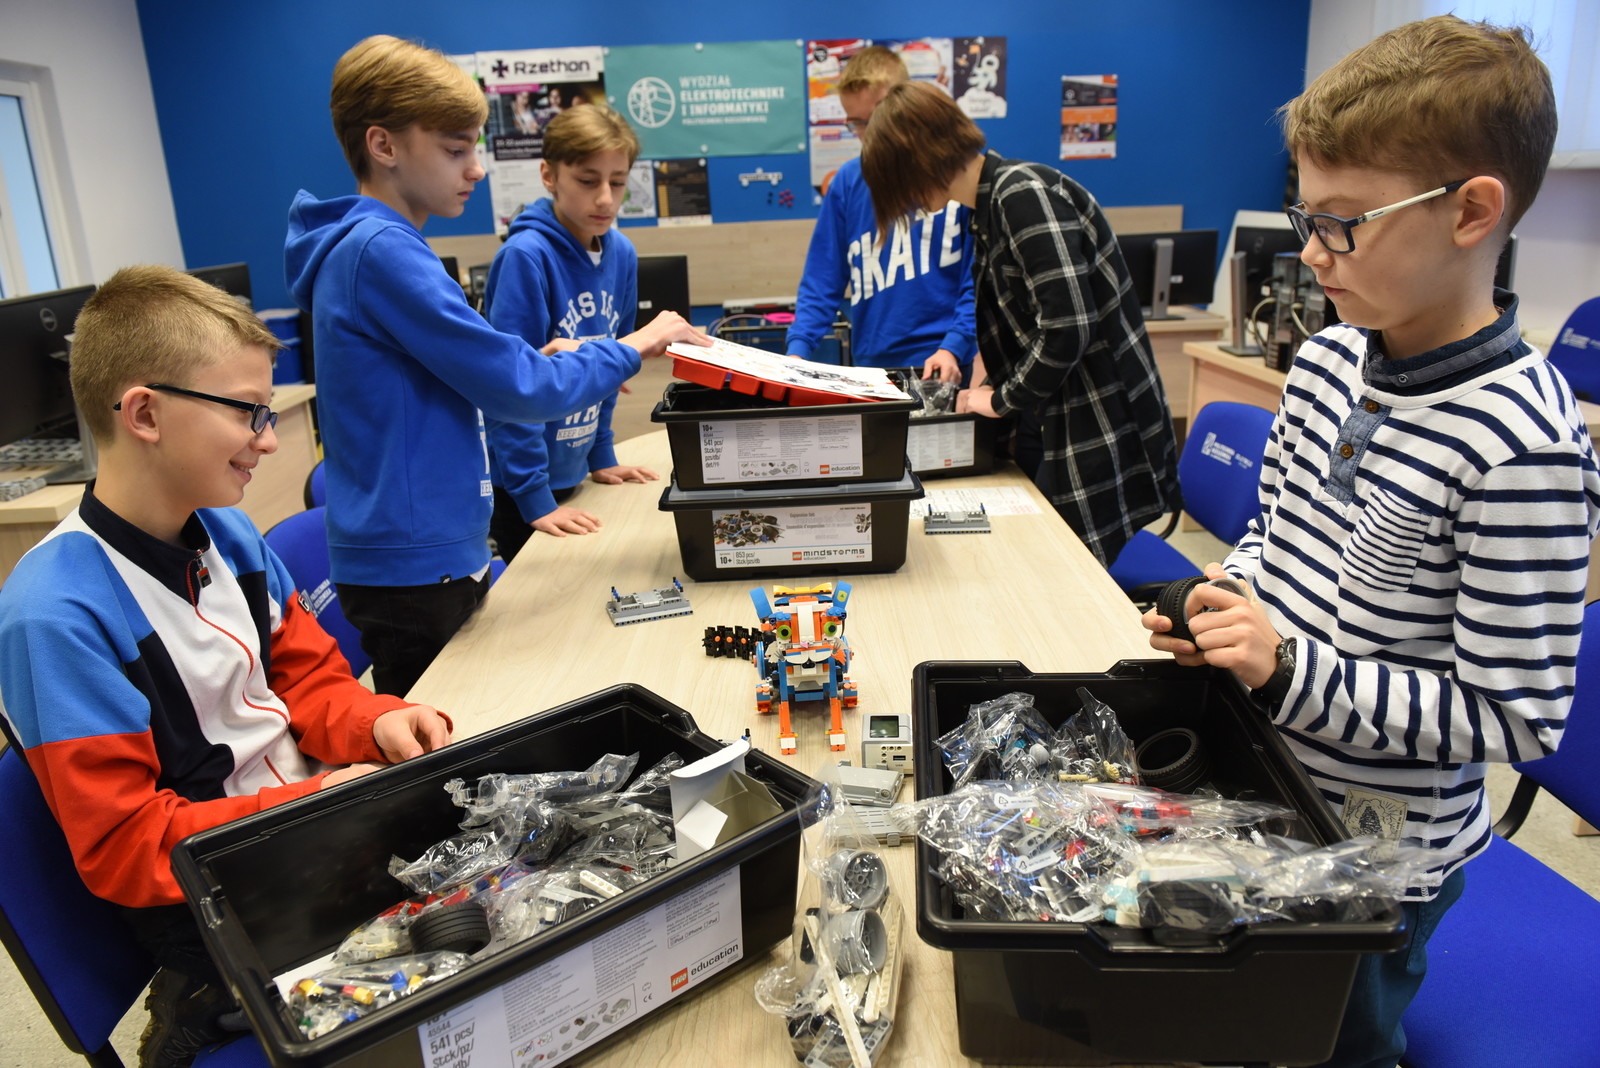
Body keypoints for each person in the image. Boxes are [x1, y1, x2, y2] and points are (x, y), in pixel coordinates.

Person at [1141, 17, 1600, 1068]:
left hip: (1379, 858)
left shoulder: (1520, 447)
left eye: (1344, 223)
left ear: (1471, 212)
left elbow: (1513, 716)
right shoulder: (1326, 363)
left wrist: (1287, 669)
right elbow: (1274, 534)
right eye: (1307, 216)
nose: (1311, 253)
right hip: (1270, 778)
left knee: (1330, 1044)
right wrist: (1228, 601)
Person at [0, 265, 457, 1068]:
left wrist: (377, 719)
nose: (269, 438)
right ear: (145, 413)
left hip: (307, 830)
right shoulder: (56, 614)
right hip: (220, 896)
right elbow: (128, 845)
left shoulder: (232, 538)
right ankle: (198, 1011)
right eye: (247, 411)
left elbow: (308, 682)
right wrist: (315, 811)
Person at [286, 35, 706, 695]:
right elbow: (516, 388)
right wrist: (634, 344)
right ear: (384, 145)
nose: (477, 169)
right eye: (455, 150)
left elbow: (465, 376)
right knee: (445, 735)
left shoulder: (379, 247)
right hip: (414, 565)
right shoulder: (382, 251)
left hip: (427, 552)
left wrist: (539, 361)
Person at [859, 79, 1180, 566]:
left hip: (1089, 419)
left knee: (1065, 569)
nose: (903, 200)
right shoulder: (985, 209)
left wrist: (998, 399)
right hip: (1048, 415)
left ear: (917, 161)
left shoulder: (1022, 194)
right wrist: (983, 372)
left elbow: (1068, 328)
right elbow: (1019, 315)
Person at [483, 106, 652, 557]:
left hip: (573, 471)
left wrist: (601, 456)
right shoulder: (525, 257)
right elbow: (508, 390)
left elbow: (611, 367)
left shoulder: (622, 254)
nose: (606, 199)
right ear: (549, 175)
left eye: (618, 182)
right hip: (519, 488)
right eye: (588, 180)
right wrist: (534, 497)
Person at [786, 47, 976, 385]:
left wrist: (955, 345)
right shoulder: (848, 182)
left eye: (873, 117)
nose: (866, 132)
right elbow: (822, 279)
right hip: (873, 367)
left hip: (947, 363)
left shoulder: (957, 178)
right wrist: (796, 352)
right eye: (855, 122)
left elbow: (978, 282)